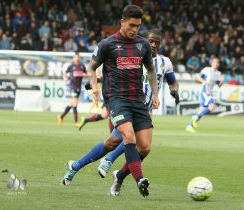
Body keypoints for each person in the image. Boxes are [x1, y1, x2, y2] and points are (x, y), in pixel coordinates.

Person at [60, 29, 180, 196]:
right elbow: (107, 71)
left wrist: (173, 91)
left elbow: (173, 82)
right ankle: (113, 164)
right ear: (144, 41)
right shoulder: (133, 53)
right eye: (150, 41)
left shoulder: (164, 62)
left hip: (143, 109)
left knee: (122, 144)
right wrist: (93, 83)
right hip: (123, 104)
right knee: (127, 138)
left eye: (156, 42)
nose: (153, 45)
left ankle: (79, 166)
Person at [186, 58, 224, 132]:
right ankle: (196, 117)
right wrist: (203, 81)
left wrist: (221, 82)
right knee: (212, 106)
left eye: (217, 62)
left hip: (209, 92)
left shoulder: (218, 73)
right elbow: (197, 77)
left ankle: (189, 126)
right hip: (204, 91)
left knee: (201, 110)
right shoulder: (207, 70)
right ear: (211, 63)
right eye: (215, 62)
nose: (216, 64)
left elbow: (218, 85)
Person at [57, 52, 86, 128]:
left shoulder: (82, 66)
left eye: (78, 57)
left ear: (79, 58)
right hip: (72, 87)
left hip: (79, 87)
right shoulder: (71, 66)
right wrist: (64, 77)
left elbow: (86, 74)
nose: (77, 58)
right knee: (75, 103)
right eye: (75, 57)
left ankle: (61, 117)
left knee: (71, 104)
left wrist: (85, 75)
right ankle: (76, 122)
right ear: (73, 58)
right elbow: (65, 73)